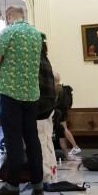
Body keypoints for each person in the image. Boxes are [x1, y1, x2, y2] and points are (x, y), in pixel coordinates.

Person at [0, 6, 44, 195]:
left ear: (8, 16)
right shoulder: (37, 34)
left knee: (13, 140)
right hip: (31, 93)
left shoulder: (9, 31)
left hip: (11, 92)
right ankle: (38, 184)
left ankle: (12, 186)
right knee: (32, 139)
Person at [36, 34, 58, 184]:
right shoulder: (45, 59)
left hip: (41, 107)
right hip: (49, 105)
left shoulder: (36, 60)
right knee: (47, 140)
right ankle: (51, 176)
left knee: (42, 142)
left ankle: (46, 178)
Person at [54, 72, 80, 156]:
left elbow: (54, 101)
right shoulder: (61, 87)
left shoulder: (57, 89)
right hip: (63, 111)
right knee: (64, 129)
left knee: (64, 129)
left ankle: (75, 147)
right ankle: (75, 147)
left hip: (59, 112)